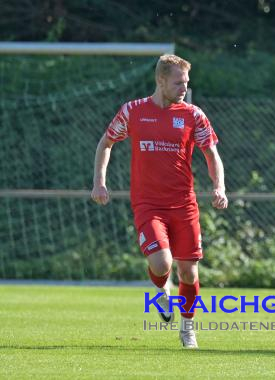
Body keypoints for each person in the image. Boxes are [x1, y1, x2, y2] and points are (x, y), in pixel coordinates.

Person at [91, 54, 228, 349]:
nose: (184, 87)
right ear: (161, 80)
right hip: (148, 204)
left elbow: (211, 153)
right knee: (161, 261)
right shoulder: (133, 111)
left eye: (187, 82)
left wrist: (220, 187)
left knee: (189, 272)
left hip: (184, 205)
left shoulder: (193, 115)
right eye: (179, 82)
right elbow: (106, 143)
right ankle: (160, 291)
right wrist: (99, 182)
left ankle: (188, 329)